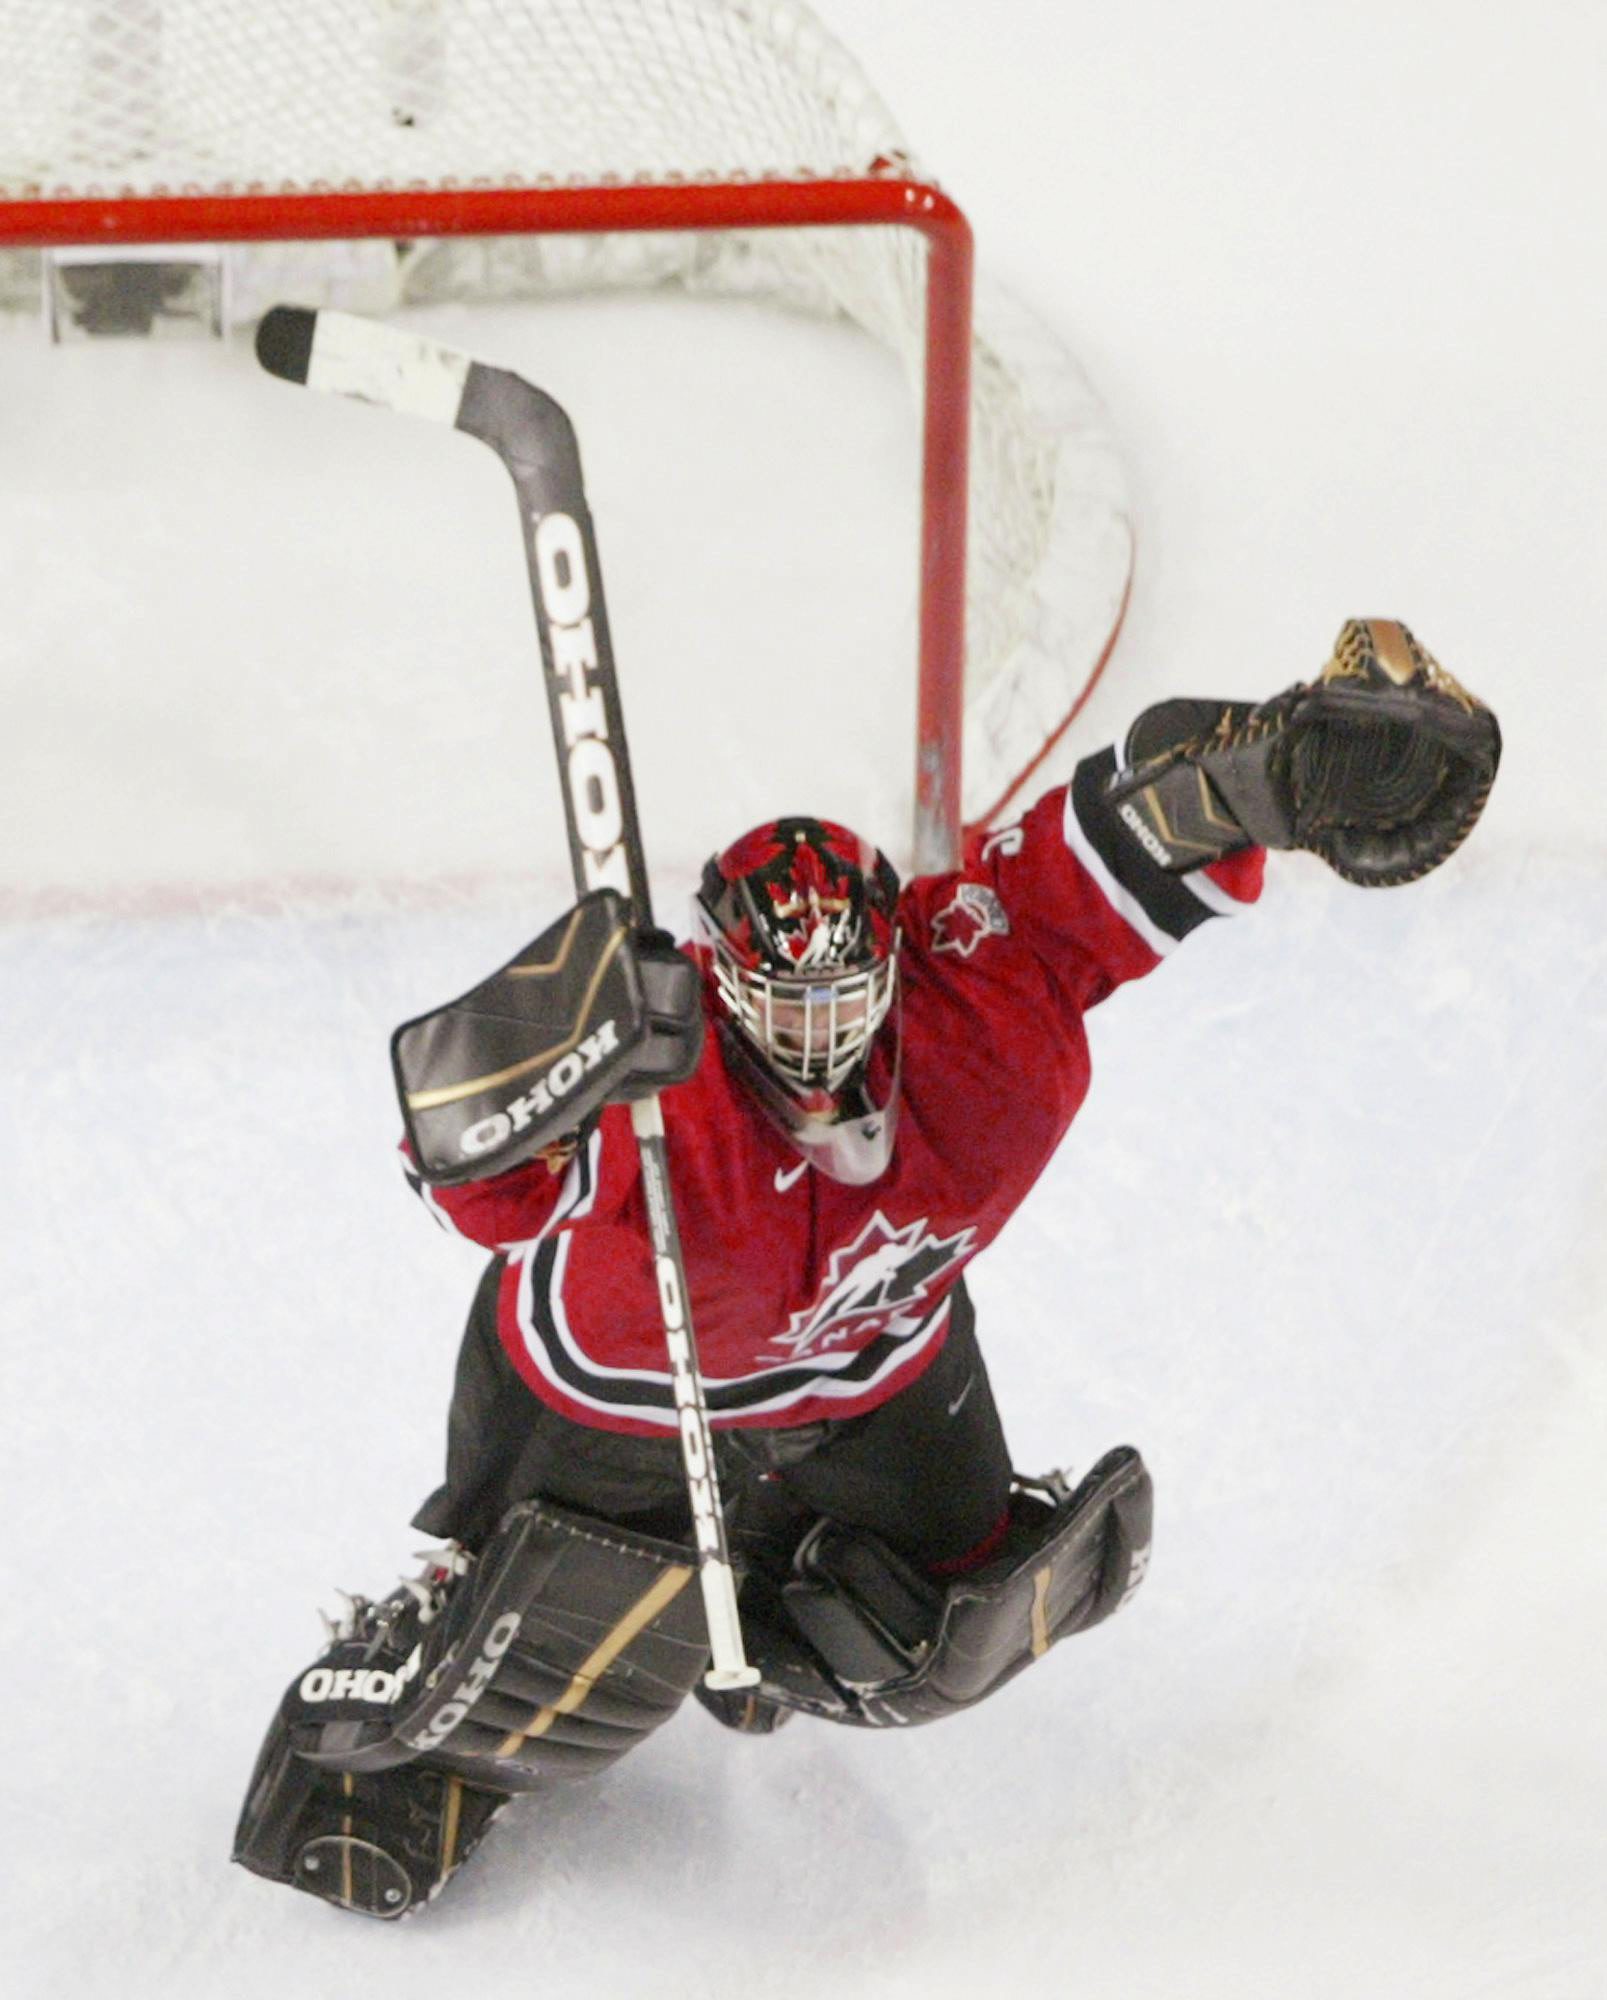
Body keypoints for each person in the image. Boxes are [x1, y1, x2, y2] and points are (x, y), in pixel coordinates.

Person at [233, 618, 1500, 1918]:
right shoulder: (647, 1097)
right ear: (722, 977)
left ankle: (762, 1612)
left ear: (899, 953)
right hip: (621, 1390)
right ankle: (426, 1697)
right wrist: (562, 1039)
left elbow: (1114, 842)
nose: (817, 1038)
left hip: (875, 1366)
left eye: (846, 996)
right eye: (780, 1004)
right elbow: (464, 1175)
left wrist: (1272, 773)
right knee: (511, 1666)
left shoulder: (980, 1003)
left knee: (928, 1639)